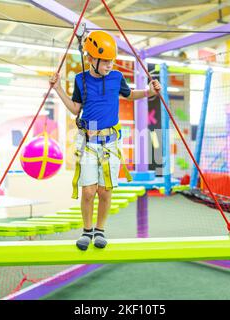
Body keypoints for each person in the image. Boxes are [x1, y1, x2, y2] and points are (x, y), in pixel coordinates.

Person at [49, 30, 161, 250]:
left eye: (112, 61)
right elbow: (74, 109)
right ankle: (87, 230)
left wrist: (149, 92)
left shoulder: (116, 78)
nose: (110, 65)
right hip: (89, 142)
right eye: (105, 61)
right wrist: (59, 88)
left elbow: (129, 95)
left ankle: (100, 230)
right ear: (90, 58)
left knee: (105, 191)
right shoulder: (80, 80)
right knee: (88, 191)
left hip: (110, 142)